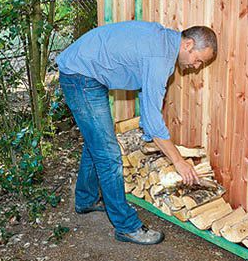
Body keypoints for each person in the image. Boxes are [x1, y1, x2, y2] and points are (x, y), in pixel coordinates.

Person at [56, 20, 217, 245]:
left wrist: (150, 134)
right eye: (199, 59)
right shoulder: (161, 57)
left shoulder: (164, 45)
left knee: (98, 142)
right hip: (80, 76)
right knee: (109, 154)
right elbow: (152, 119)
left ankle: (86, 199)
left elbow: (146, 95)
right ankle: (126, 226)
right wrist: (178, 161)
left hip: (85, 72)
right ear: (188, 44)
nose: (197, 66)